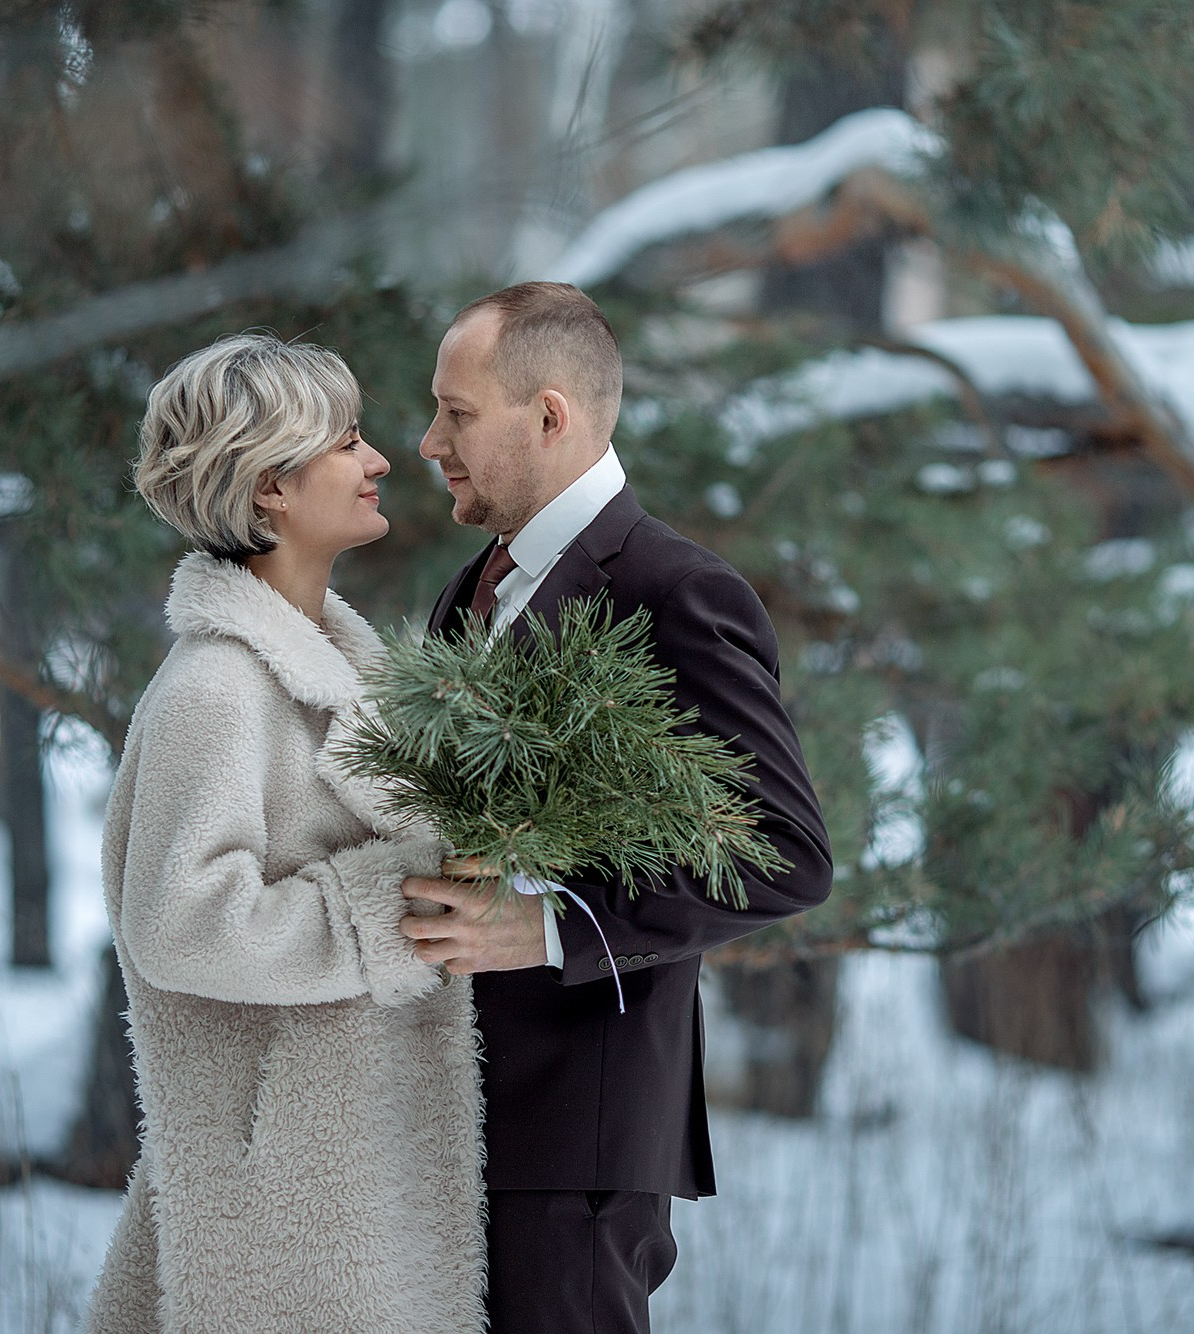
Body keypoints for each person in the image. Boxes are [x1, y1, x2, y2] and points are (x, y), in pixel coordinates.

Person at [401, 282, 835, 1333]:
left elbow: (785, 853)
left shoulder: (675, 590)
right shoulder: (474, 584)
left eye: (456, 414)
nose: (425, 442)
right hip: (451, 1120)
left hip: (575, 1143)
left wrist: (547, 924)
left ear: (547, 415)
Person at [86, 334, 484, 1334]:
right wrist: (398, 906)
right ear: (270, 484)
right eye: (347, 441)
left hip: (351, 1177)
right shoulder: (215, 686)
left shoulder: (343, 672)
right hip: (285, 1207)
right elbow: (178, 922)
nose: (381, 459)